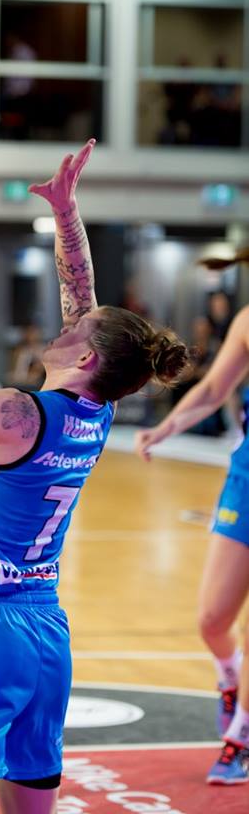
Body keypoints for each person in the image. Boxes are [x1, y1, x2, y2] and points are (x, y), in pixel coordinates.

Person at [0, 140, 188, 814]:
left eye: (78, 327)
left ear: (84, 358)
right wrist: (65, 211)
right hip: (45, 630)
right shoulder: (96, 413)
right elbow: (81, 295)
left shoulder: (10, 411)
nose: (66, 319)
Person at [135, 248, 249, 787]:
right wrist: (166, 428)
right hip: (246, 477)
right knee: (212, 619)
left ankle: (240, 739)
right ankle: (230, 679)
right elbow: (213, 390)